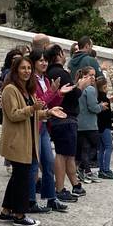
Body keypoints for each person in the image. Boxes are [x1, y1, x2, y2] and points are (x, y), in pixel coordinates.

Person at [0, 56, 66, 226]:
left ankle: (6, 211)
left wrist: (48, 113)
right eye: (23, 68)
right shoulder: (10, 90)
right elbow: (14, 114)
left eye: (29, 68)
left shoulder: (27, 89)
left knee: (17, 177)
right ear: (15, 70)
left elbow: (33, 114)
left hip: (28, 139)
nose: (27, 71)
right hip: (17, 141)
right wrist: (33, 108)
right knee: (22, 178)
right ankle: (20, 215)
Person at [27, 48, 74, 213]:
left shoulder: (45, 80)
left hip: (44, 126)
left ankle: (51, 199)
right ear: (33, 63)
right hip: (34, 127)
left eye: (45, 60)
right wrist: (53, 91)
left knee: (48, 164)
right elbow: (39, 103)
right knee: (34, 165)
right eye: (40, 60)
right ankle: (30, 200)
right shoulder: (30, 81)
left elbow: (51, 103)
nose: (44, 63)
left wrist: (59, 93)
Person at [45, 44, 91, 202]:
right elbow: (71, 94)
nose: (65, 56)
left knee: (68, 154)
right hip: (64, 117)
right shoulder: (59, 72)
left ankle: (75, 185)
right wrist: (81, 86)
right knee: (63, 154)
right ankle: (60, 188)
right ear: (58, 54)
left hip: (60, 117)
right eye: (63, 53)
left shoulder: (49, 72)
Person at [76, 66, 104, 184]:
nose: (93, 78)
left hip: (79, 123)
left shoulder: (78, 88)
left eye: (94, 75)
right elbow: (93, 107)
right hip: (90, 124)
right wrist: (101, 107)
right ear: (84, 76)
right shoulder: (90, 89)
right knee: (95, 146)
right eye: (90, 75)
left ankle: (85, 170)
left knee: (85, 148)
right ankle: (83, 169)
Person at [96, 76, 113, 180]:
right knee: (109, 147)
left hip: (98, 126)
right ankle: (106, 170)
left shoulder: (97, 97)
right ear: (105, 87)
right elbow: (106, 115)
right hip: (105, 126)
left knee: (101, 148)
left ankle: (101, 169)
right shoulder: (104, 99)